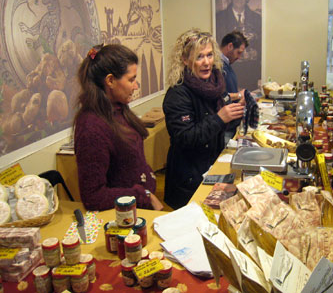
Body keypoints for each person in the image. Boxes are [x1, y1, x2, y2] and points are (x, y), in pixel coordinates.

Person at [74, 44, 163, 211]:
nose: (136, 86)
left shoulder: (118, 108)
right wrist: (143, 195)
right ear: (110, 81)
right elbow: (93, 197)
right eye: (131, 79)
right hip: (125, 216)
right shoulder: (91, 128)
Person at [163, 29, 245, 209]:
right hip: (188, 179)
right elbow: (185, 137)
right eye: (199, 57)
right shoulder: (178, 94)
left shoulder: (214, 85)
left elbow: (223, 117)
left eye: (209, 55)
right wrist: (220, 118)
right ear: (185, 60)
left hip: (210, 168)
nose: (207, 62)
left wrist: (237, 108)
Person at [216, 0, 262, 90]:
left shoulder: (257, 19)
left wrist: (255, 53)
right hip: (228, 73)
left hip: (251, 73)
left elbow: (262, 46)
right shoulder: (219, 18)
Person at [220, 31, 248, 143]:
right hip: (224, 129)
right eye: (238, 52)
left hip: (231, 126)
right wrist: (240, 95)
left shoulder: (226, 65)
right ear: (230, 46)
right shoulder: (218, 67)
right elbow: (219, 97)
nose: (239, 57)